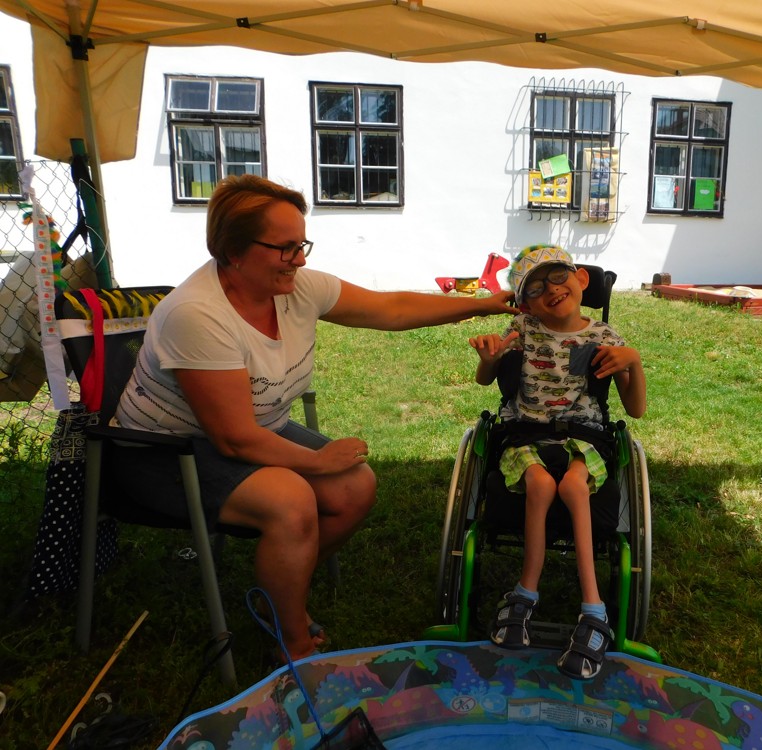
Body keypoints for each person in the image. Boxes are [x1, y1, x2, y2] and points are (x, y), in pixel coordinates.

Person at [111, 174, 513, 661]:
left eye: (301, 244)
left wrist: (479, 306)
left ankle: (281, 591)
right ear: (233, 250)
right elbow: (234, 439)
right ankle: (293, 640)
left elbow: (390, 308)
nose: (300, 259)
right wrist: (318, 461)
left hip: (254, 431)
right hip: (163, 452)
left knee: (355, 488)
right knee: (292, 501)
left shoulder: (295, 287)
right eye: (285, 248)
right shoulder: (198, 314)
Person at [468, 245, 646, 680]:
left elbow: (636, 409)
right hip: (524, 433)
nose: (550, 290)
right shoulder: (522, 328)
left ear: (581, 279)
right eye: (534, 288)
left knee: (572, 485)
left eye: (558, 277)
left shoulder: (605, 338)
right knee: (542, 483)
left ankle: (593, 608)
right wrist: (488, 359)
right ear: (525, 303)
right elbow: (487, 377)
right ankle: (526, 592)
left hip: (585, 436)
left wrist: (634, 362)